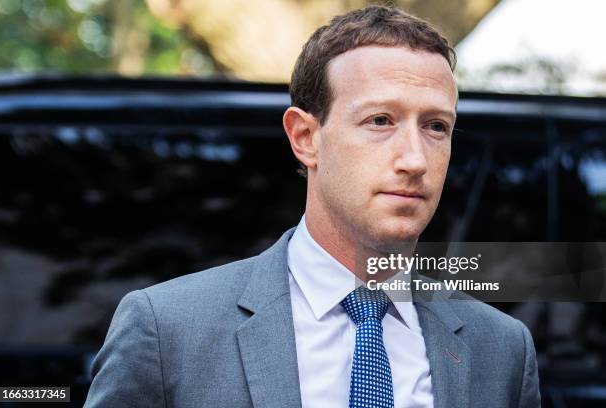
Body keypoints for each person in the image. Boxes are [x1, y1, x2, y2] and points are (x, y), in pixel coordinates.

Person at [84, 5, 540, 408]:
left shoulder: (501, 350)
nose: (415, 159)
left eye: (436, 126)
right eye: (380, 121)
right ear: (305, 137)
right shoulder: (168, 330)